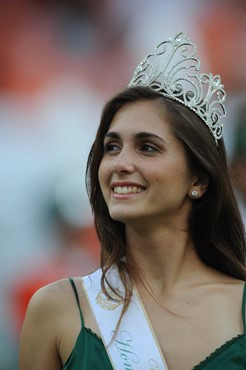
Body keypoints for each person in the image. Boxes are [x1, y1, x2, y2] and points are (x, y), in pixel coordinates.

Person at [19, 32, 246, 370]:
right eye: (112, 147)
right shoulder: (57, 308)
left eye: (147, 147)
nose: (120, 163)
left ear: (198, 180)